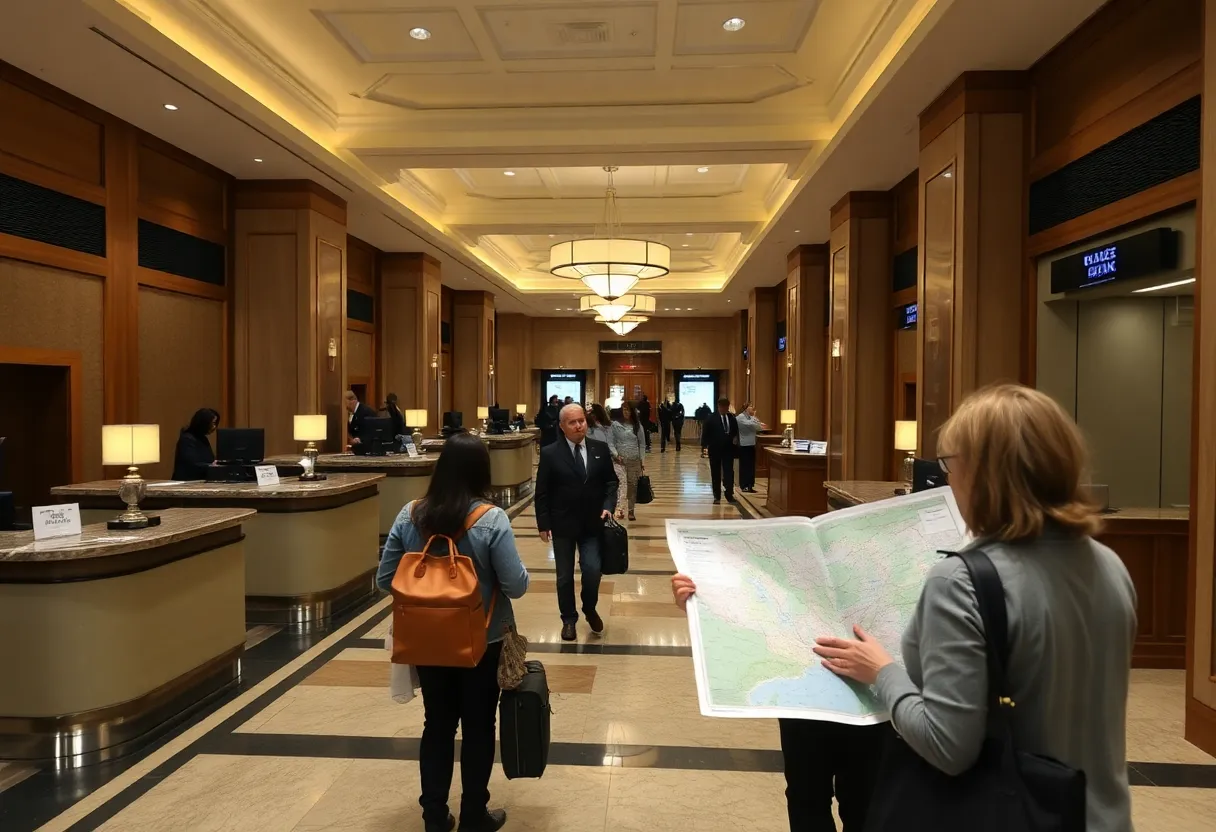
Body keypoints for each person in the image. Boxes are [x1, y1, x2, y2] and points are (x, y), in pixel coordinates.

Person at [812, 384, 1136, 832]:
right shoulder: (1109, 566)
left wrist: (883, 672)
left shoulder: (960, 582)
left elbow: (948, 747)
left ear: (981, 472)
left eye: (948, 464)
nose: (945, 478)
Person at [377, 433, 529, 832]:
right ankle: (475, 814)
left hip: (427, 642)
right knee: (479, 727)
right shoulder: (490, 518)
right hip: (483, 640)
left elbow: (384, 579)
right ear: (482, 470)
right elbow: (515, 585)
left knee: (437, 725)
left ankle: (433, 815)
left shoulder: (410, 515)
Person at [671, 572, 890, 832]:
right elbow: (755, 594)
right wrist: (700, 604)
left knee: (865, 802)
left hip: (875, 697)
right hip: (804, 696)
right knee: (807, 797)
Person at [535, 403, 618, 641]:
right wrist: (543, 523)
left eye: (581, 420)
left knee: (592, 569)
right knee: (564, 576)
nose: (579, 425)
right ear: (562, 427)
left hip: (593, 523)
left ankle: (589, 607)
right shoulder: (550, 453)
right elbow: (542, 491)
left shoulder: (599, 449)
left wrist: (608, 506)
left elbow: (611, 483)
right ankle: (568, 619)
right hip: (562, 523)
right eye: (572, 422)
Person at [611, 400, 647, 521]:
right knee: (621, 483)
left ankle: (631, 510)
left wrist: (642, 460)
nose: (626, 412)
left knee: (632, 485)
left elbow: (642, 444)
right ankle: (619, 508)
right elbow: (610, 442)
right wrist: (616, 454)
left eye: (628, 410)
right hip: (619, 460)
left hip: (634, 459)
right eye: (624, 409)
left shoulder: (637, 426)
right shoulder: (615, 425)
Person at [587, 403, 624, 519]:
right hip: (593, 460)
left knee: (620, 479)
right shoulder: (589, 428)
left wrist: (616, 455)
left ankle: (618, 507)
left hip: (608, 459)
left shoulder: (609, 427)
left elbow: (610, 443)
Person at [701, 397, 739, 504]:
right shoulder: (710, 418)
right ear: (718, 407)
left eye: (726, 407)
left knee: (729, 472)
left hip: (728, 450)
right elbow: (705, 433)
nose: (724, 409)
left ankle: (729, 494)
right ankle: (717, 496)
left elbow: (735, 431)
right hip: (715, 449)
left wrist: (735, 439)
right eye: (722, 407)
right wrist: (704, 447)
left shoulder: (731, 417)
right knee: (715, 473)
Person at [171, 408, 219, 480]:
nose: (214, 427)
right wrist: (210, 465)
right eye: (212, 423)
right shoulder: (187, 439)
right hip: (186, 483)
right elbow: (191, 465)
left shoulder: (202, 439)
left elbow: (209, 459)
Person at [736, 403, 767, 493]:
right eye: (751, 407)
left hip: (752, 444)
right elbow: (751, 425)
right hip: (744, 445)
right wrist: (755, 421)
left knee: (751, 466)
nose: (753, 409)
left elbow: (760, 428)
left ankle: (750, 485)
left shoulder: (751, 418)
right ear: (746, 408)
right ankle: (744, 485)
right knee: (745, 466)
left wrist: (756, 422)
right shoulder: (740, 417)